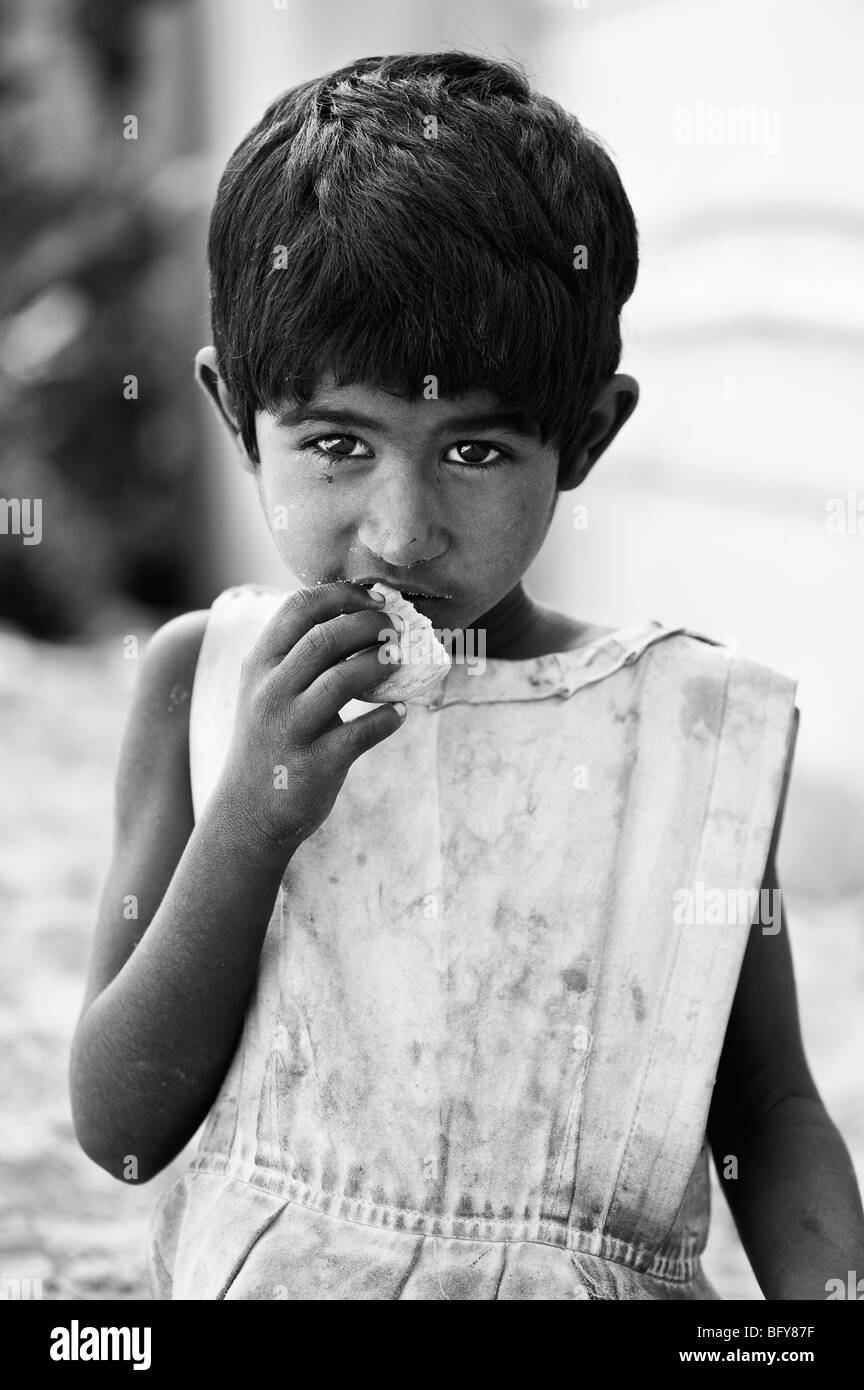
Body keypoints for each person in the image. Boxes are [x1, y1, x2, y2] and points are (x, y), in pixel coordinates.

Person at [70, 51, 864, 1300]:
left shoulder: (690, 735)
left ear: (588, 436)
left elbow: (765, 1107)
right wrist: (252, 820)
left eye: (478, 449)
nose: (400, 529)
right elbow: (121, 1129)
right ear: (236, 416)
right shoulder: (202, 682)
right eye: (335, 443)